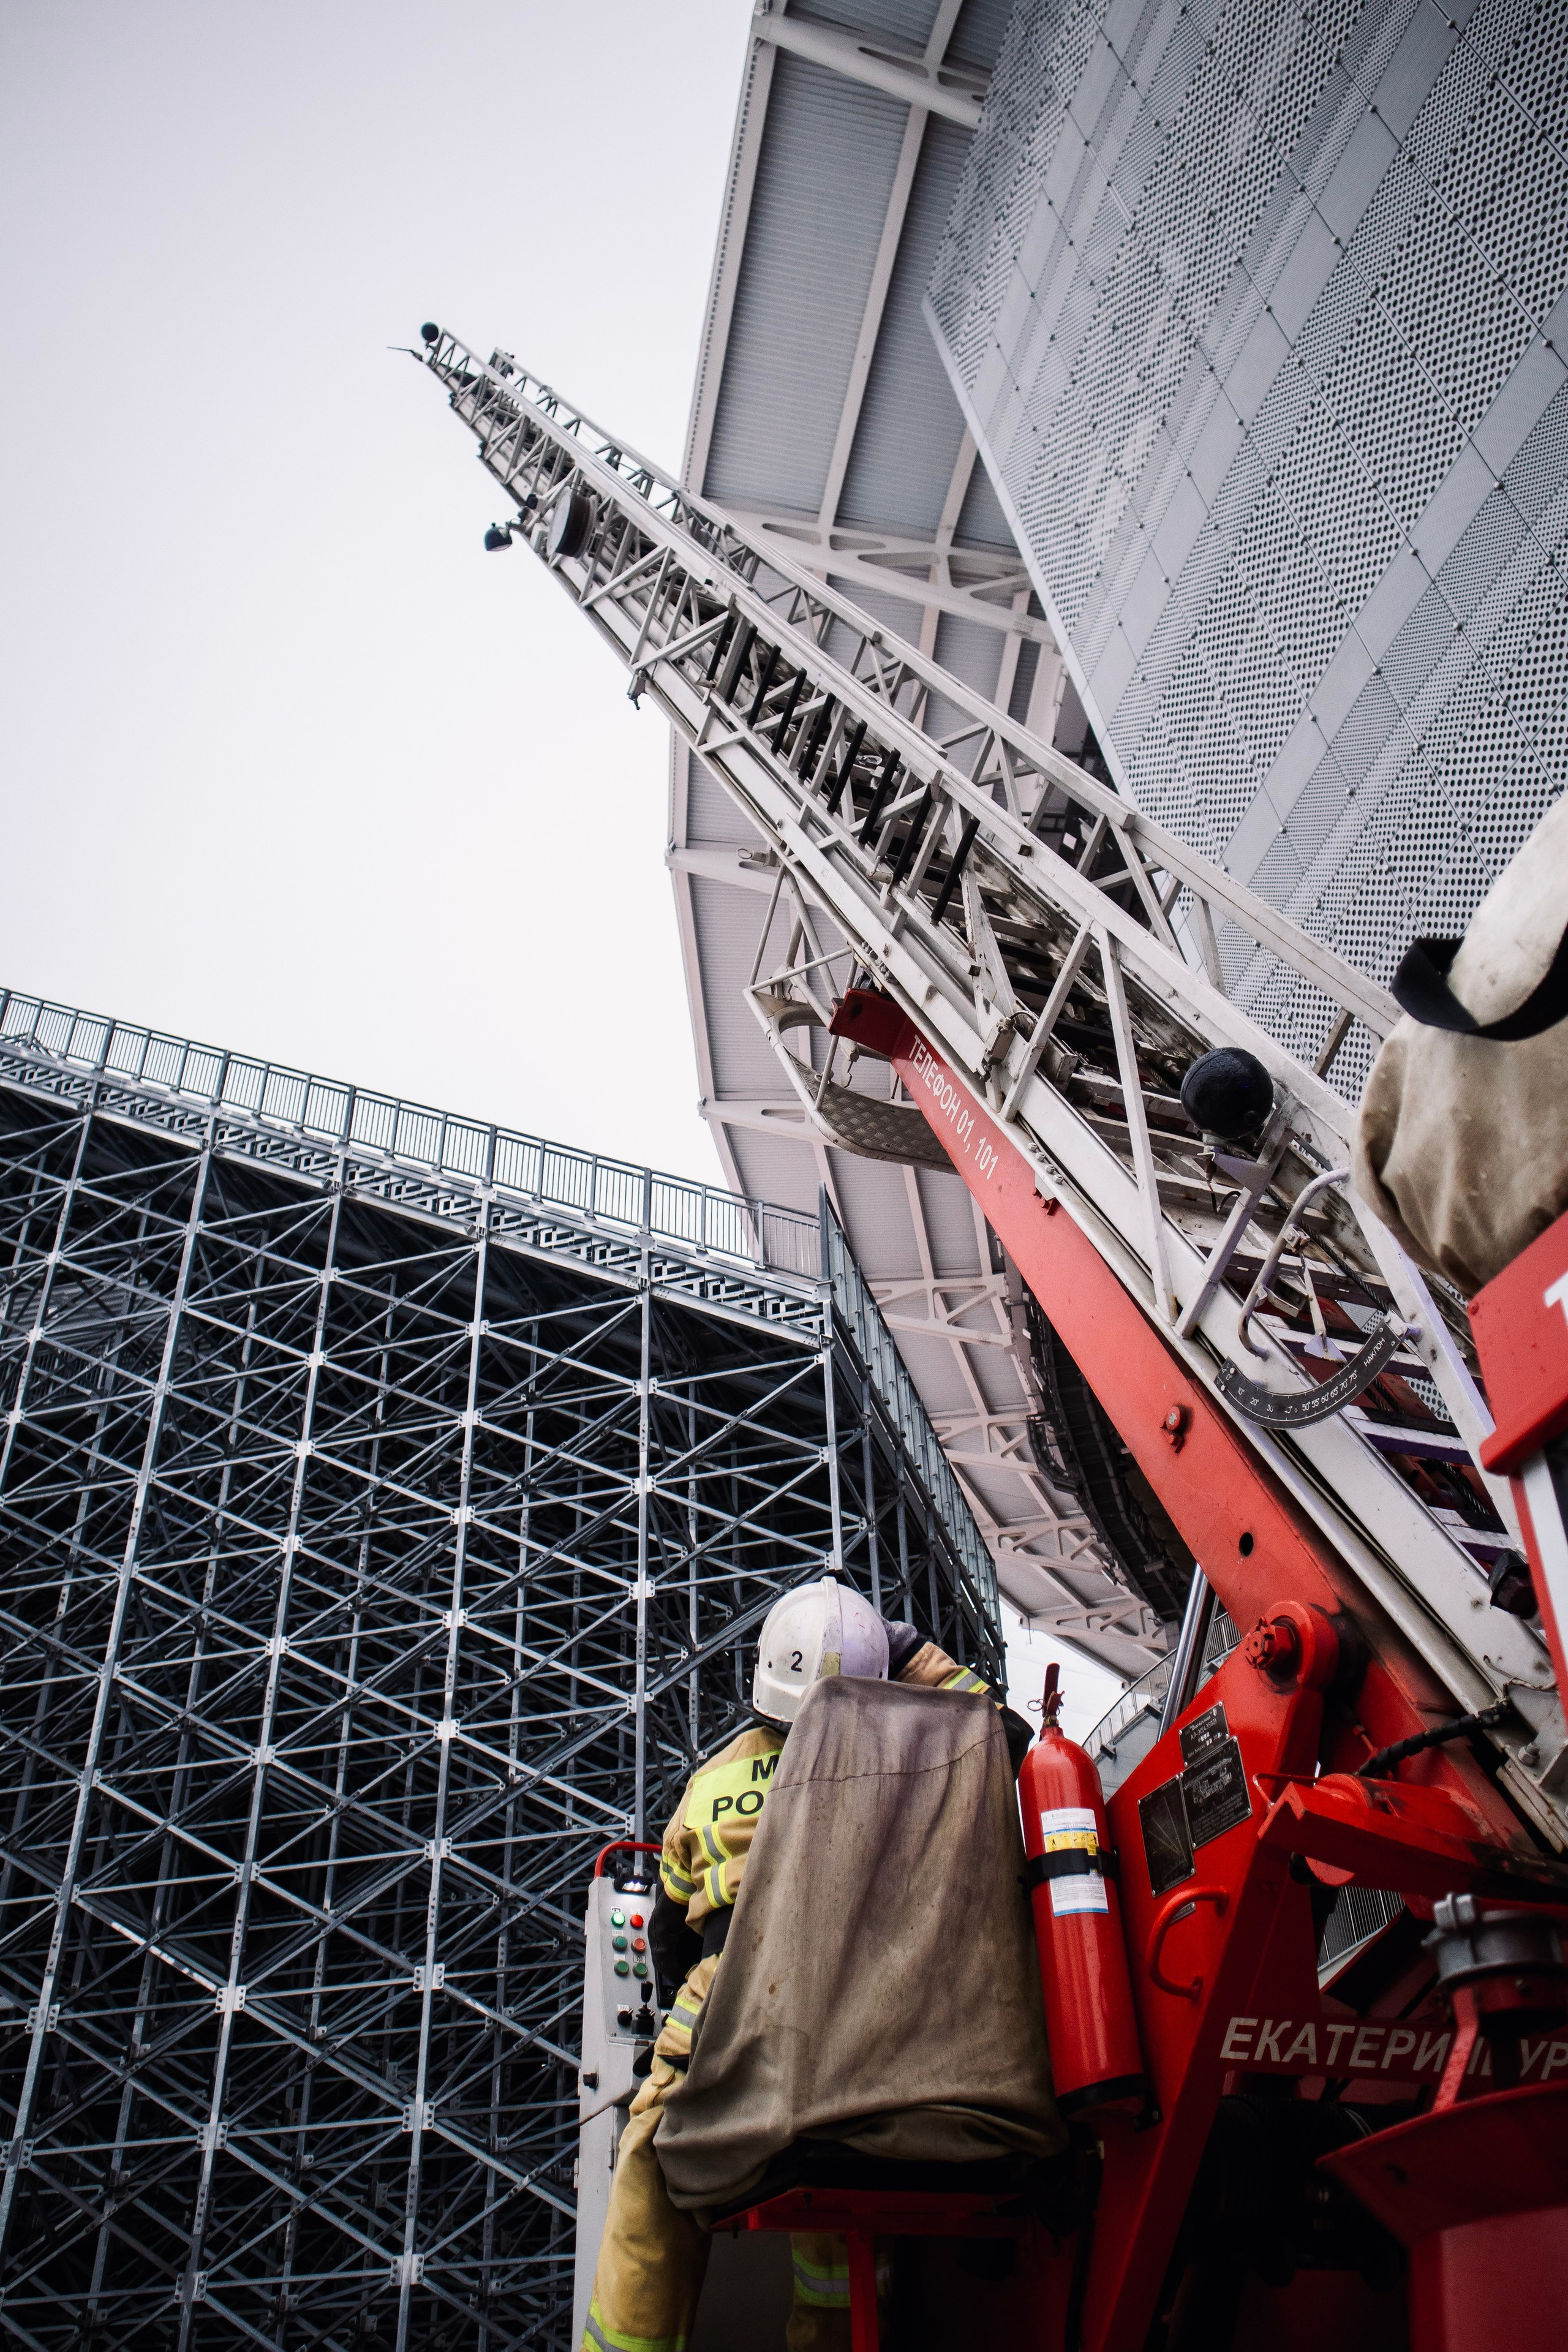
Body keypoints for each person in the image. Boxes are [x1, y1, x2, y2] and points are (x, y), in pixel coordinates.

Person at [579, 1577, 1027, 2352]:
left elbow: (668, 1933)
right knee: (838, 2211)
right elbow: (1010, 1742)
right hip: (880, 2056)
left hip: (727, 2047)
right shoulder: (919, 1773)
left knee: (648, 2169)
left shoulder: (712, 1782)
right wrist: (918, 1656)